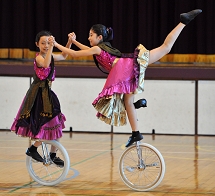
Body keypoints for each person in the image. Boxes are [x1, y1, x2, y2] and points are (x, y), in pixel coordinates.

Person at [50, 9, 202, 148]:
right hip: (128, 65)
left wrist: (56, 44)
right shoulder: (99, 49)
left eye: (91, 35)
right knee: (164, 49)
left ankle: (183, 21)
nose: (89, 37)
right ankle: (136, 133)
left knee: (164, 49)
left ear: (100, 37)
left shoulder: (98, 48)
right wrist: (74, 42)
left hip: (124, 68)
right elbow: (85, 50)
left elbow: (75, 54)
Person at [11, 30, 72, 166]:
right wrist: (51, 46)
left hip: (47, 93)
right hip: (38, 95)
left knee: (56, 123)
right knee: (45, 124)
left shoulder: (49, 55)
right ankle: (33, 149)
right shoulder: (39, 58)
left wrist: (69, 42)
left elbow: (64, 56)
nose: (45, 46)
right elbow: (45, 64)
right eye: (43, 43)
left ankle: (53, 154)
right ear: (37, 44)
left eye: (47, 43)